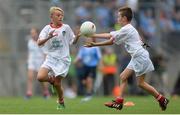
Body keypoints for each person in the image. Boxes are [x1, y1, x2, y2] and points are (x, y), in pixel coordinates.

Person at [84, 7, 169, 111]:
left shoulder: (127, 29)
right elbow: (110, 35)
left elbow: (111, 40)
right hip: (137, 56)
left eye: (119, 16)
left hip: (139, 56)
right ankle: (119, 102)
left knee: (140, 83)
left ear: (124, 18)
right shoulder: (128, 28)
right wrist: (93, 35)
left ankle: (161, 99)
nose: (117, 18)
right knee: (123, 77)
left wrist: (95, 44)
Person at [37, 6, 81, 110]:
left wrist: (77, 36)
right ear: (51, 16)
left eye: (62, 15)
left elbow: (72, 42)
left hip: (63, 59)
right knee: (40, 77)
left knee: (57, 84)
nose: (61, 17)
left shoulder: (66, 28)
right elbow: (39, 43)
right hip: (51, 57)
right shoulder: (47, 29)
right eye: (58, 15)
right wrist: (49, 37)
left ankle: (61, 100)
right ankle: (51, 80)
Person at [74, 37, 102, 102]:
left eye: (90, 38)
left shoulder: (95, 48)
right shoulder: (83, 48)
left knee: (89, 80)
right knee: (84, 82)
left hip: (92, 66)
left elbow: (99, 57)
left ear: (92, 39)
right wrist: (75, 61)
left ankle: (89, 94)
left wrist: (100, 65)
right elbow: (79, 56)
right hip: (85, 67)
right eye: (87, 38)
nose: (88, 39)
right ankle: (89, 91)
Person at [26, 27, 50, 99]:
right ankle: (29, 93)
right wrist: (28, 59)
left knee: (41, 79)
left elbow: (45, 53)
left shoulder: (41, 42)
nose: (32, 35)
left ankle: (45, 92)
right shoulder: (29, 42)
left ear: (37, 33)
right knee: (30, 77)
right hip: (32, 61)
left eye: (34, 33)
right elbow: (30, 52)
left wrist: (45, 63)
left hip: (40, 62)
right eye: (31, 33)